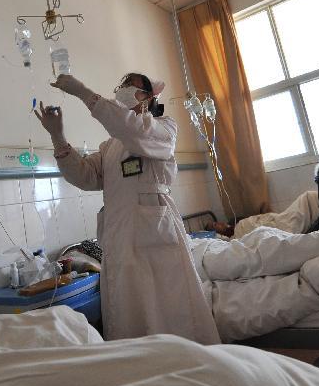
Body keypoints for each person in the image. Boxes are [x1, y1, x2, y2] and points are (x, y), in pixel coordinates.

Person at [35, 73, 220, 344]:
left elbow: (134, 130)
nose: (124, 90)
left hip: (155, 240)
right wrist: (58, 136)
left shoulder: (163, 129)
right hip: (119, 240)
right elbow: (85, 176)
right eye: (122, 85)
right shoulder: (111, 146)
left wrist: (84, 92)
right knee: (130, 316)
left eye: (133, 86)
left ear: (149, 98)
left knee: (169, 311)